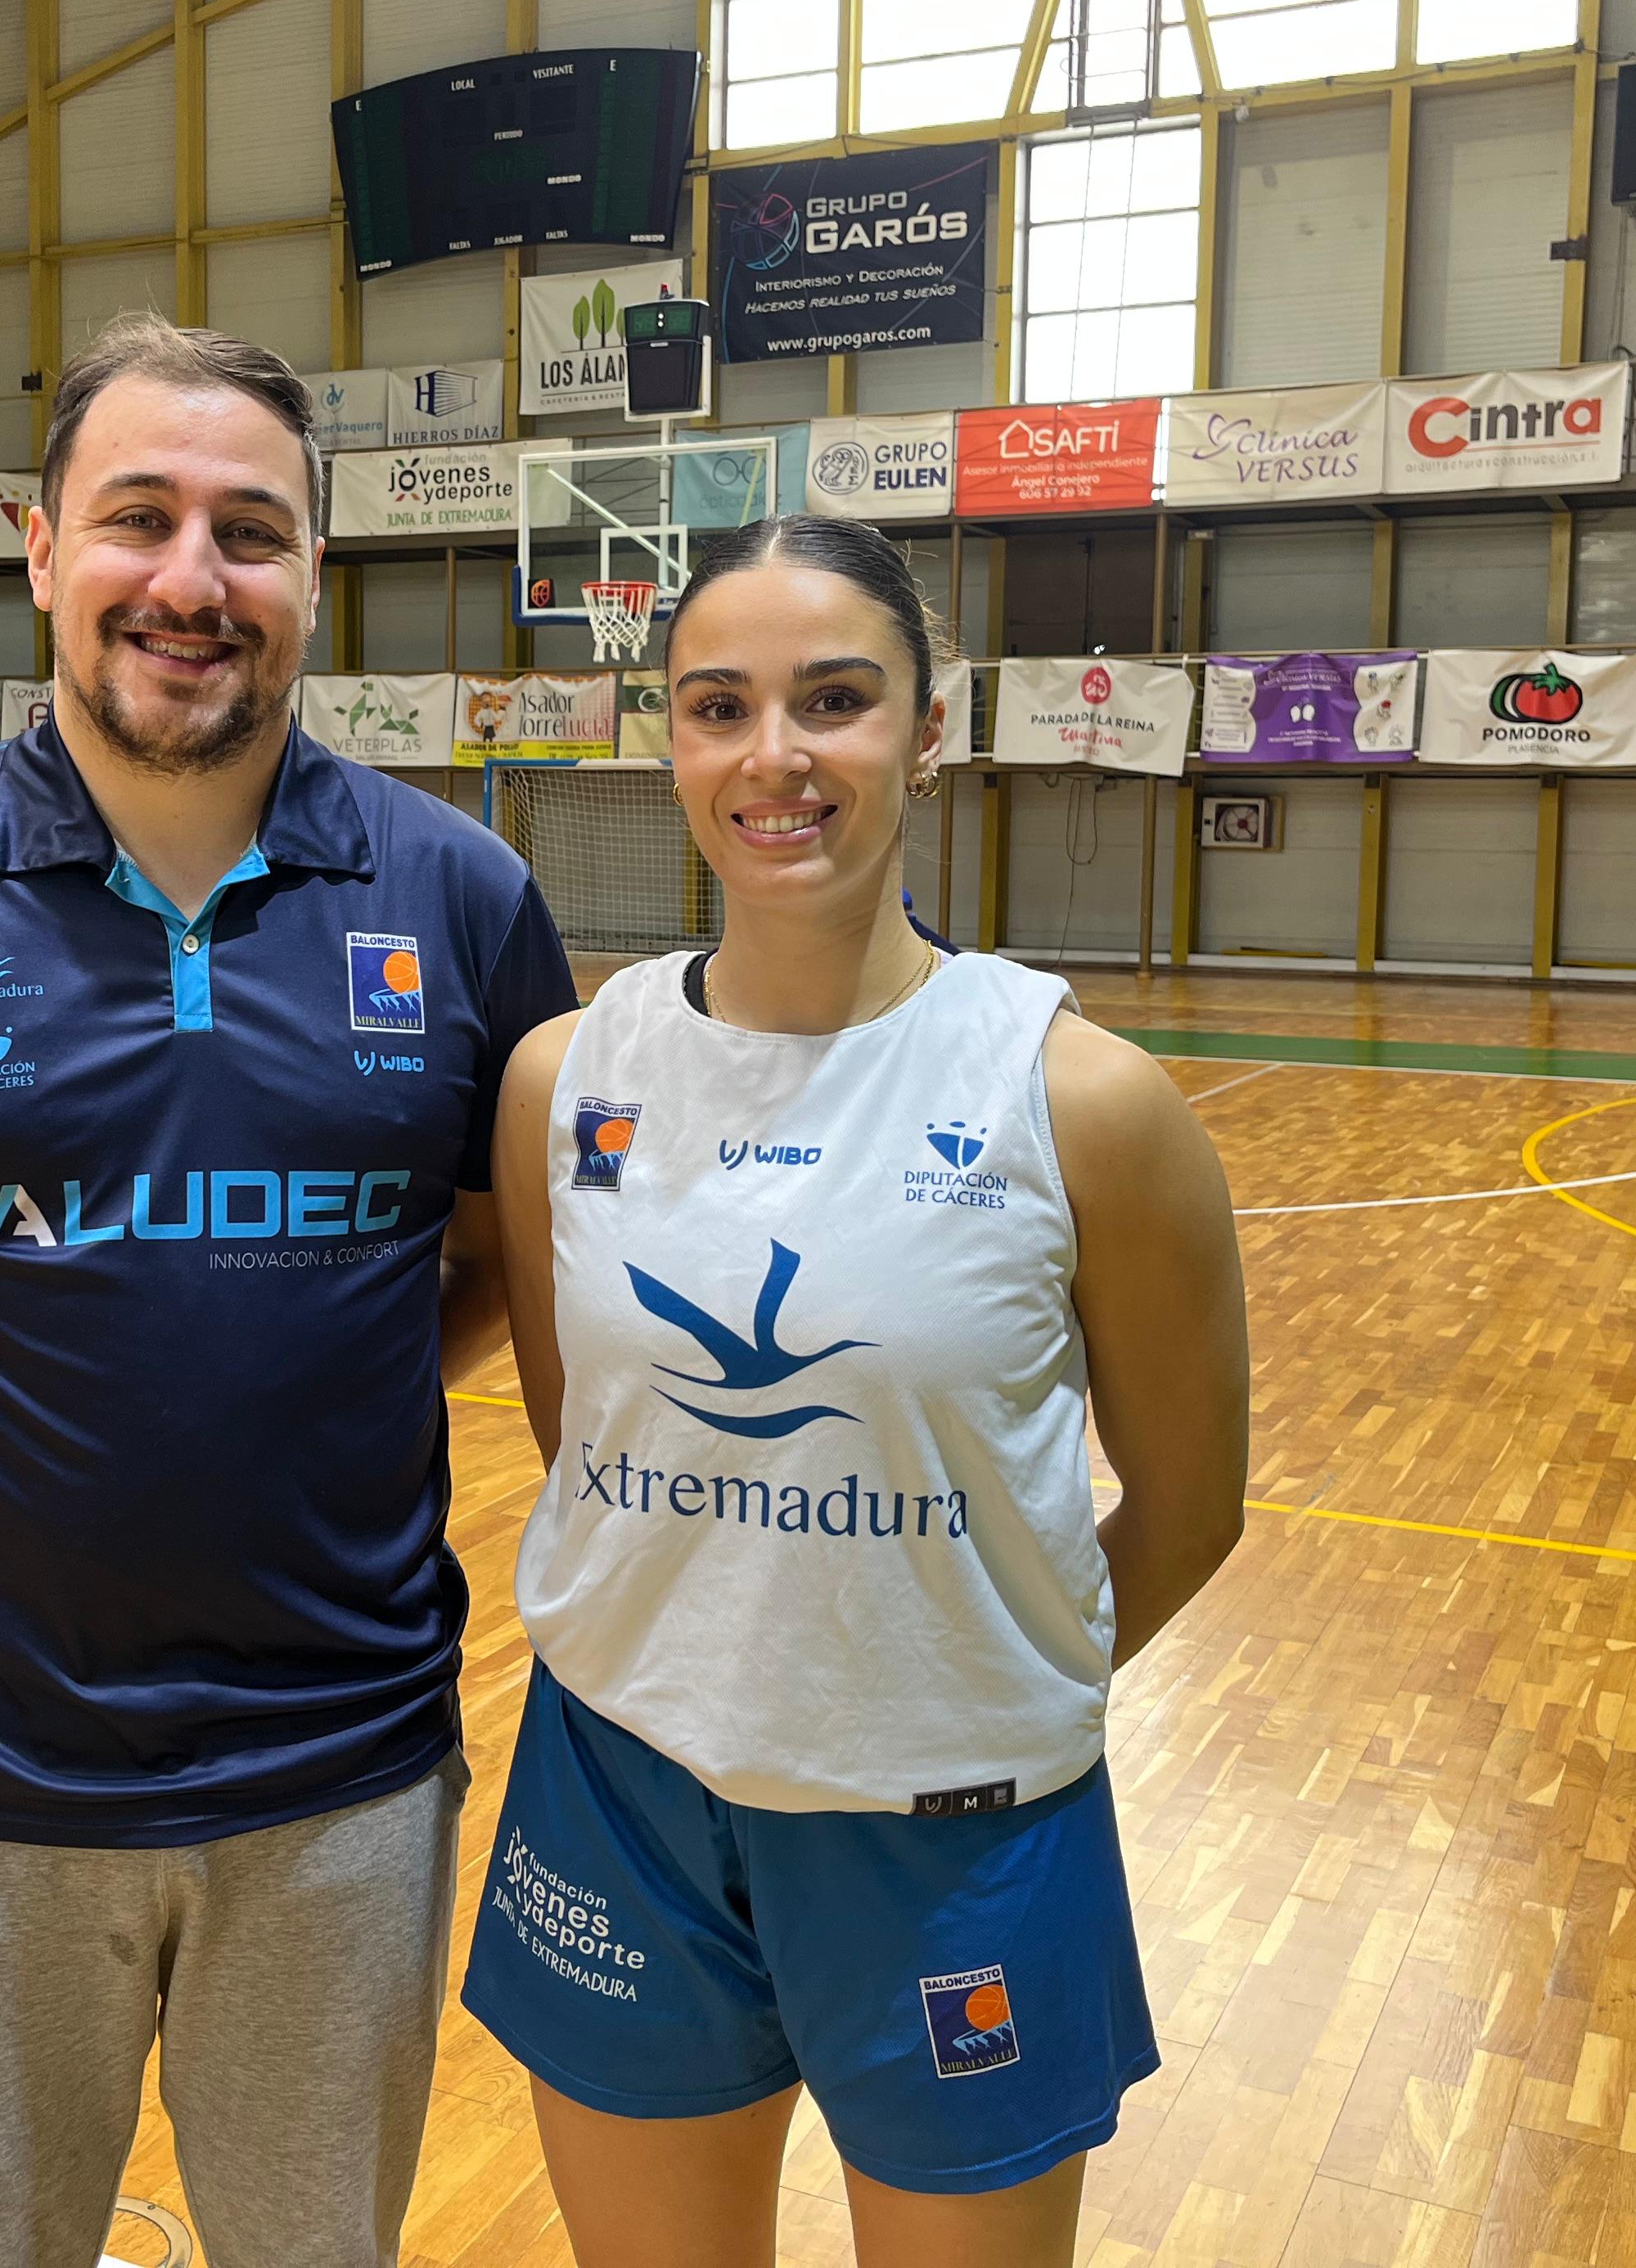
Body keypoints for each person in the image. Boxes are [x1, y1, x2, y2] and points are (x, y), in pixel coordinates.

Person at [0, 313, 577, 2268]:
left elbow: (496, 1253)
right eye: (138, 518)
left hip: (340, 1786)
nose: (193, 579)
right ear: (41, 548)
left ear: (314, 573)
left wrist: (322, 1379)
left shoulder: (463, 904)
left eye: (250, 531)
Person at [462, 513, 1250, 2266]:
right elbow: (580, 1438)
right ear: (669, 738)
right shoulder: (560, 1079)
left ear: (930, 726)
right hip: (623, 1794)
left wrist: (945, 1677)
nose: (775, 756)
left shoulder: (1084, 1103)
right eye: (718, 706)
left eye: (834, 699)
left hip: (959, 1835)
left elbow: (1195, 1510)